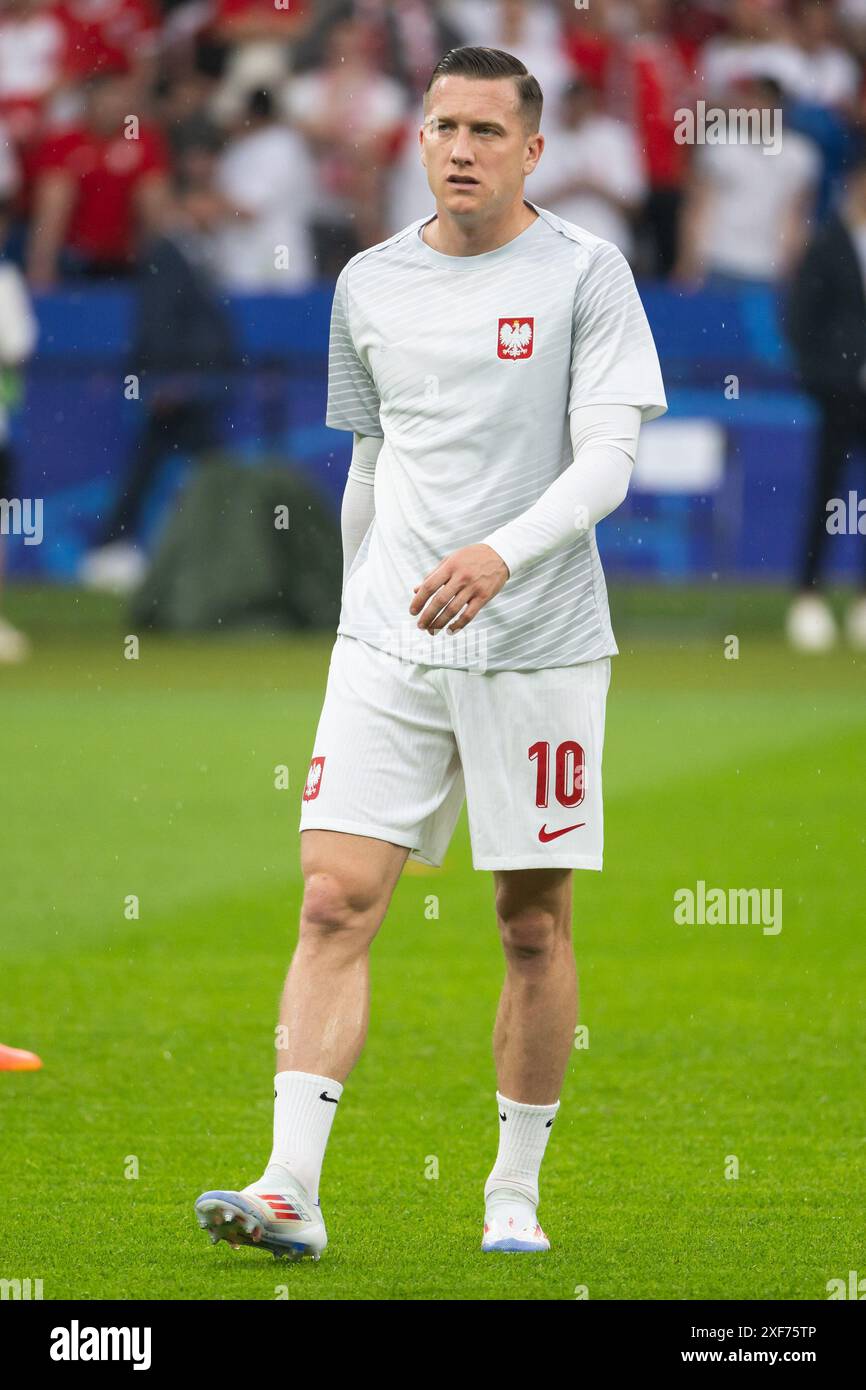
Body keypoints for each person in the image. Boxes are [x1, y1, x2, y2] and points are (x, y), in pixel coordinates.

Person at [195, 44, 666, 1260]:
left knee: (528, 922)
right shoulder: (368, 282)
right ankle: (290, 1188)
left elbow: (608, 460)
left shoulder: (584, 273)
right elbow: (368, 465)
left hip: (538, 645)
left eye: (486, 132)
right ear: (417, 138)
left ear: (531, 149)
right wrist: (356, 618)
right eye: (442, 127)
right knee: (331, 898)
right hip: (388, 645)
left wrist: (498, 555)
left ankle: (512, 1189)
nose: (460, 149)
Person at [784, 152, 866, 651]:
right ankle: (808, 597)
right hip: (839, 398)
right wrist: (831, 381)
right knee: (828, 495)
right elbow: (802, 323)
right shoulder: (827, 245)